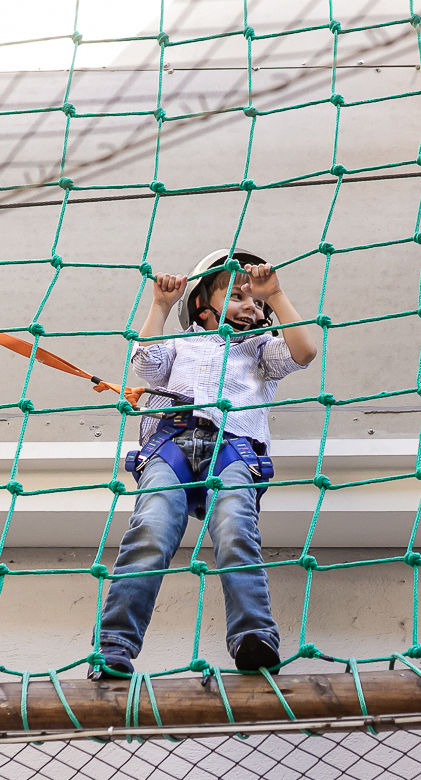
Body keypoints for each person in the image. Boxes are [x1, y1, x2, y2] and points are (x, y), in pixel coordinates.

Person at [92, 249, 318, 678]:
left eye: (257, 303)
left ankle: (254, 635)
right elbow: (146, 363)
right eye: (237, 296)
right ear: (202, 305)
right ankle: (114, 644)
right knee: (150, 531)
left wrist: (277, 293)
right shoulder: (181, 342)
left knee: (236, 530)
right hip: (171, 443)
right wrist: (160, 305)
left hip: (232, 448)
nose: (250, 305)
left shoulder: (260, 351)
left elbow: (304, 351)